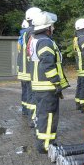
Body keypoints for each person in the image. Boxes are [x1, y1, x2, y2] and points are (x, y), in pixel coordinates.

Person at [29, 11, 69, 153]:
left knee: (43, 115)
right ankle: (46, 145)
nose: (53, 29)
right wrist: (56, 83)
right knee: (49, 116)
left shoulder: (35, 39)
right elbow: (48, 64)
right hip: (47, 86)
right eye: (52, 26)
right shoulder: (45, 41)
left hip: (40, 85)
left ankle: (43, 143)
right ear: (47, 28)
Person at [17, 7, 41, 126]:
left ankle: (25, 110)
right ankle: (33, 117)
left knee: (25, 92)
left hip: (22, 69)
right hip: (29, 69)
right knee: (32, 94)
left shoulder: (23, 34)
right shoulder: (32, 32)